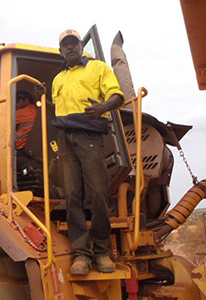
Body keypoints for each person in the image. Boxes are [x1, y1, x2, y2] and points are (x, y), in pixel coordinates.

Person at [35, 29, 124, 275]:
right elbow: (60, 113)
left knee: (98, 194)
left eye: (74, 43)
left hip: (90, 137)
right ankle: (81, 255)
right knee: (72, 196)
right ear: (61, 51)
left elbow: (117, 96)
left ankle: (102, 252)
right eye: (66, 45)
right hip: (65, 139)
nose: (70, 47)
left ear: (80, 47)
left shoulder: (98, 69)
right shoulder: (58, 80)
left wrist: (103, 107)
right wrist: (44, 99)